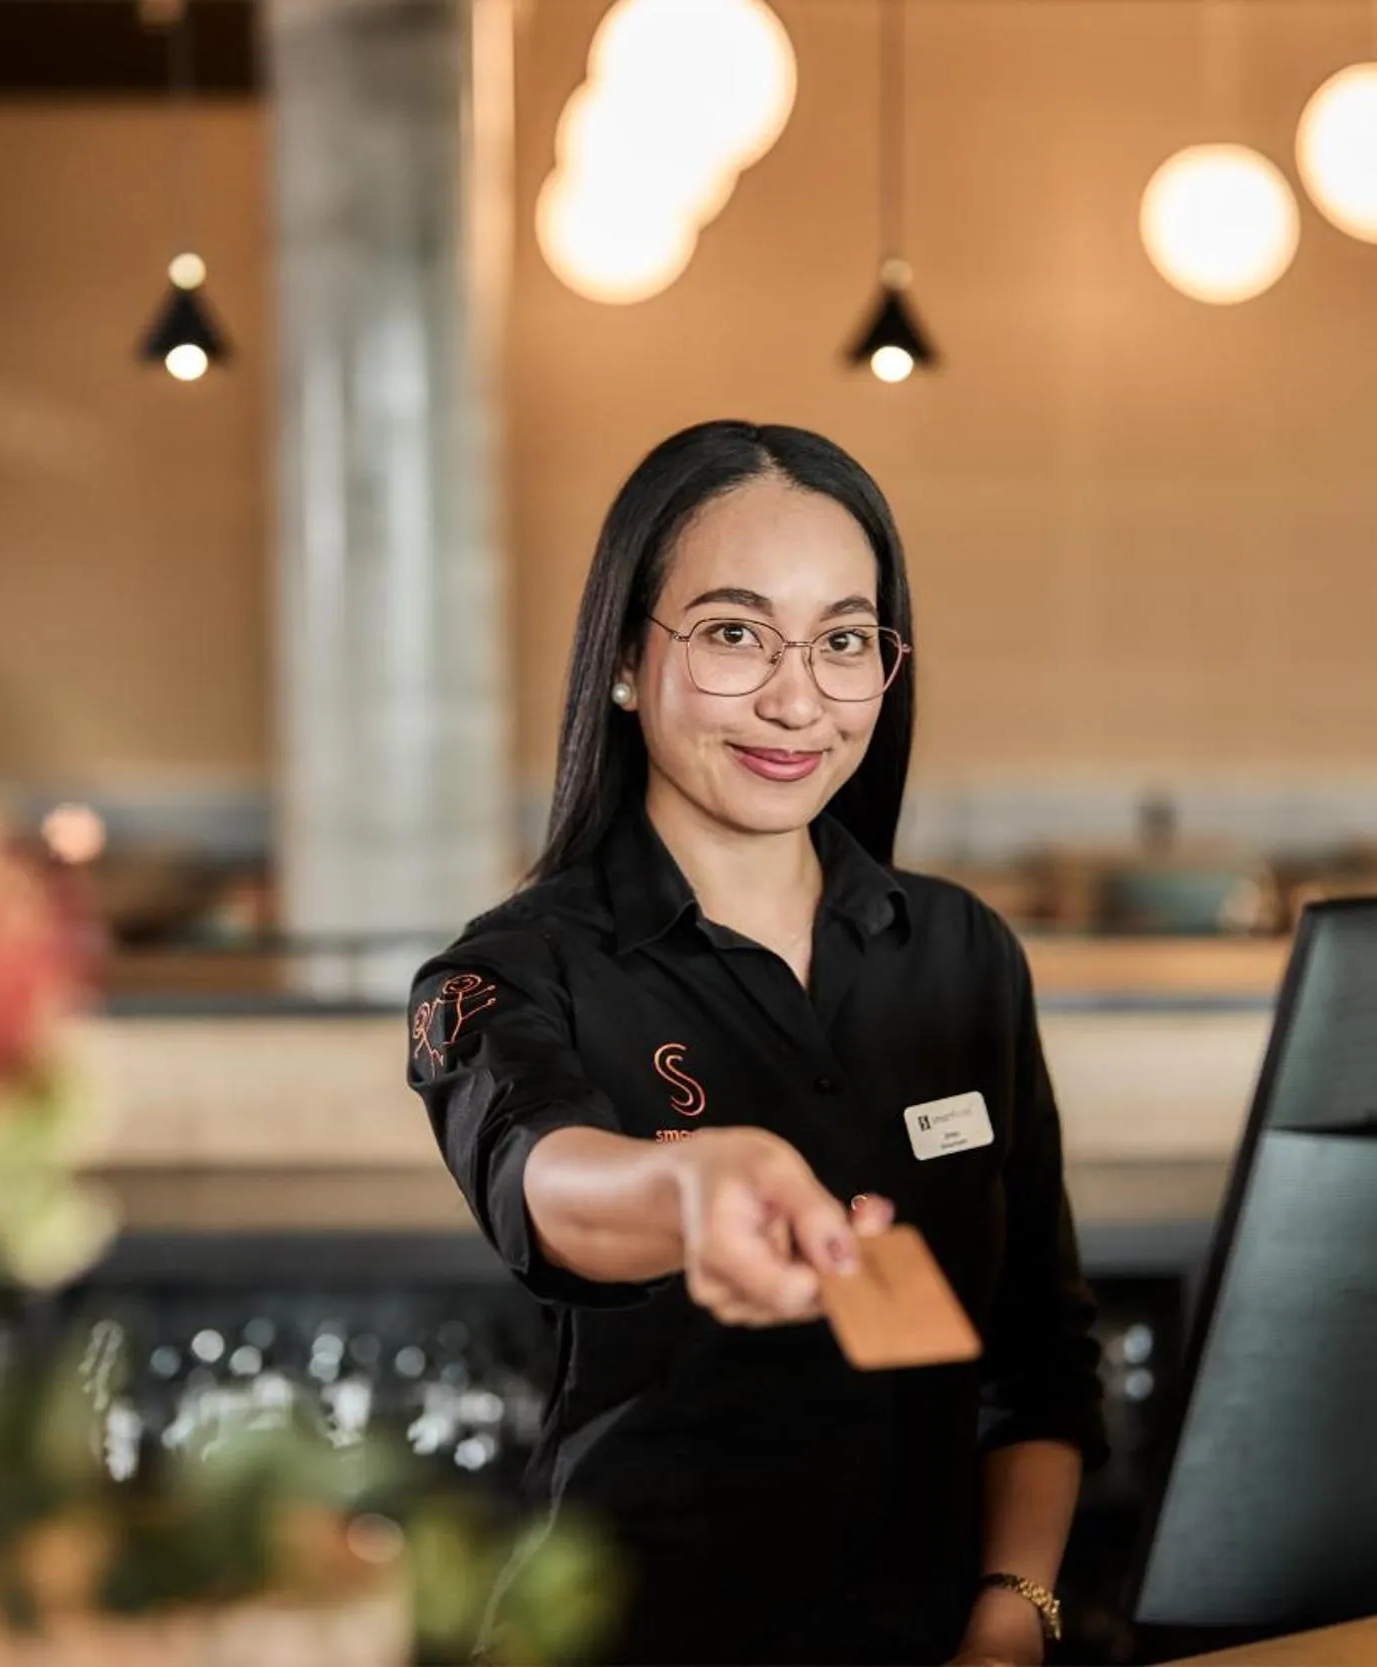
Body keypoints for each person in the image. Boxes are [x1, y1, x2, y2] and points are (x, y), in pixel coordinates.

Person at [406, 421, 1106, 1666]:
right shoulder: (506, 972)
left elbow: (1038, 1357)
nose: (797, 698)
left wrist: (1013, 1611)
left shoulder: (960, 953)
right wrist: (682, 1185)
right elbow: (539, 1174)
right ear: (626, 658)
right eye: (734, 632)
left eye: (843, 641)